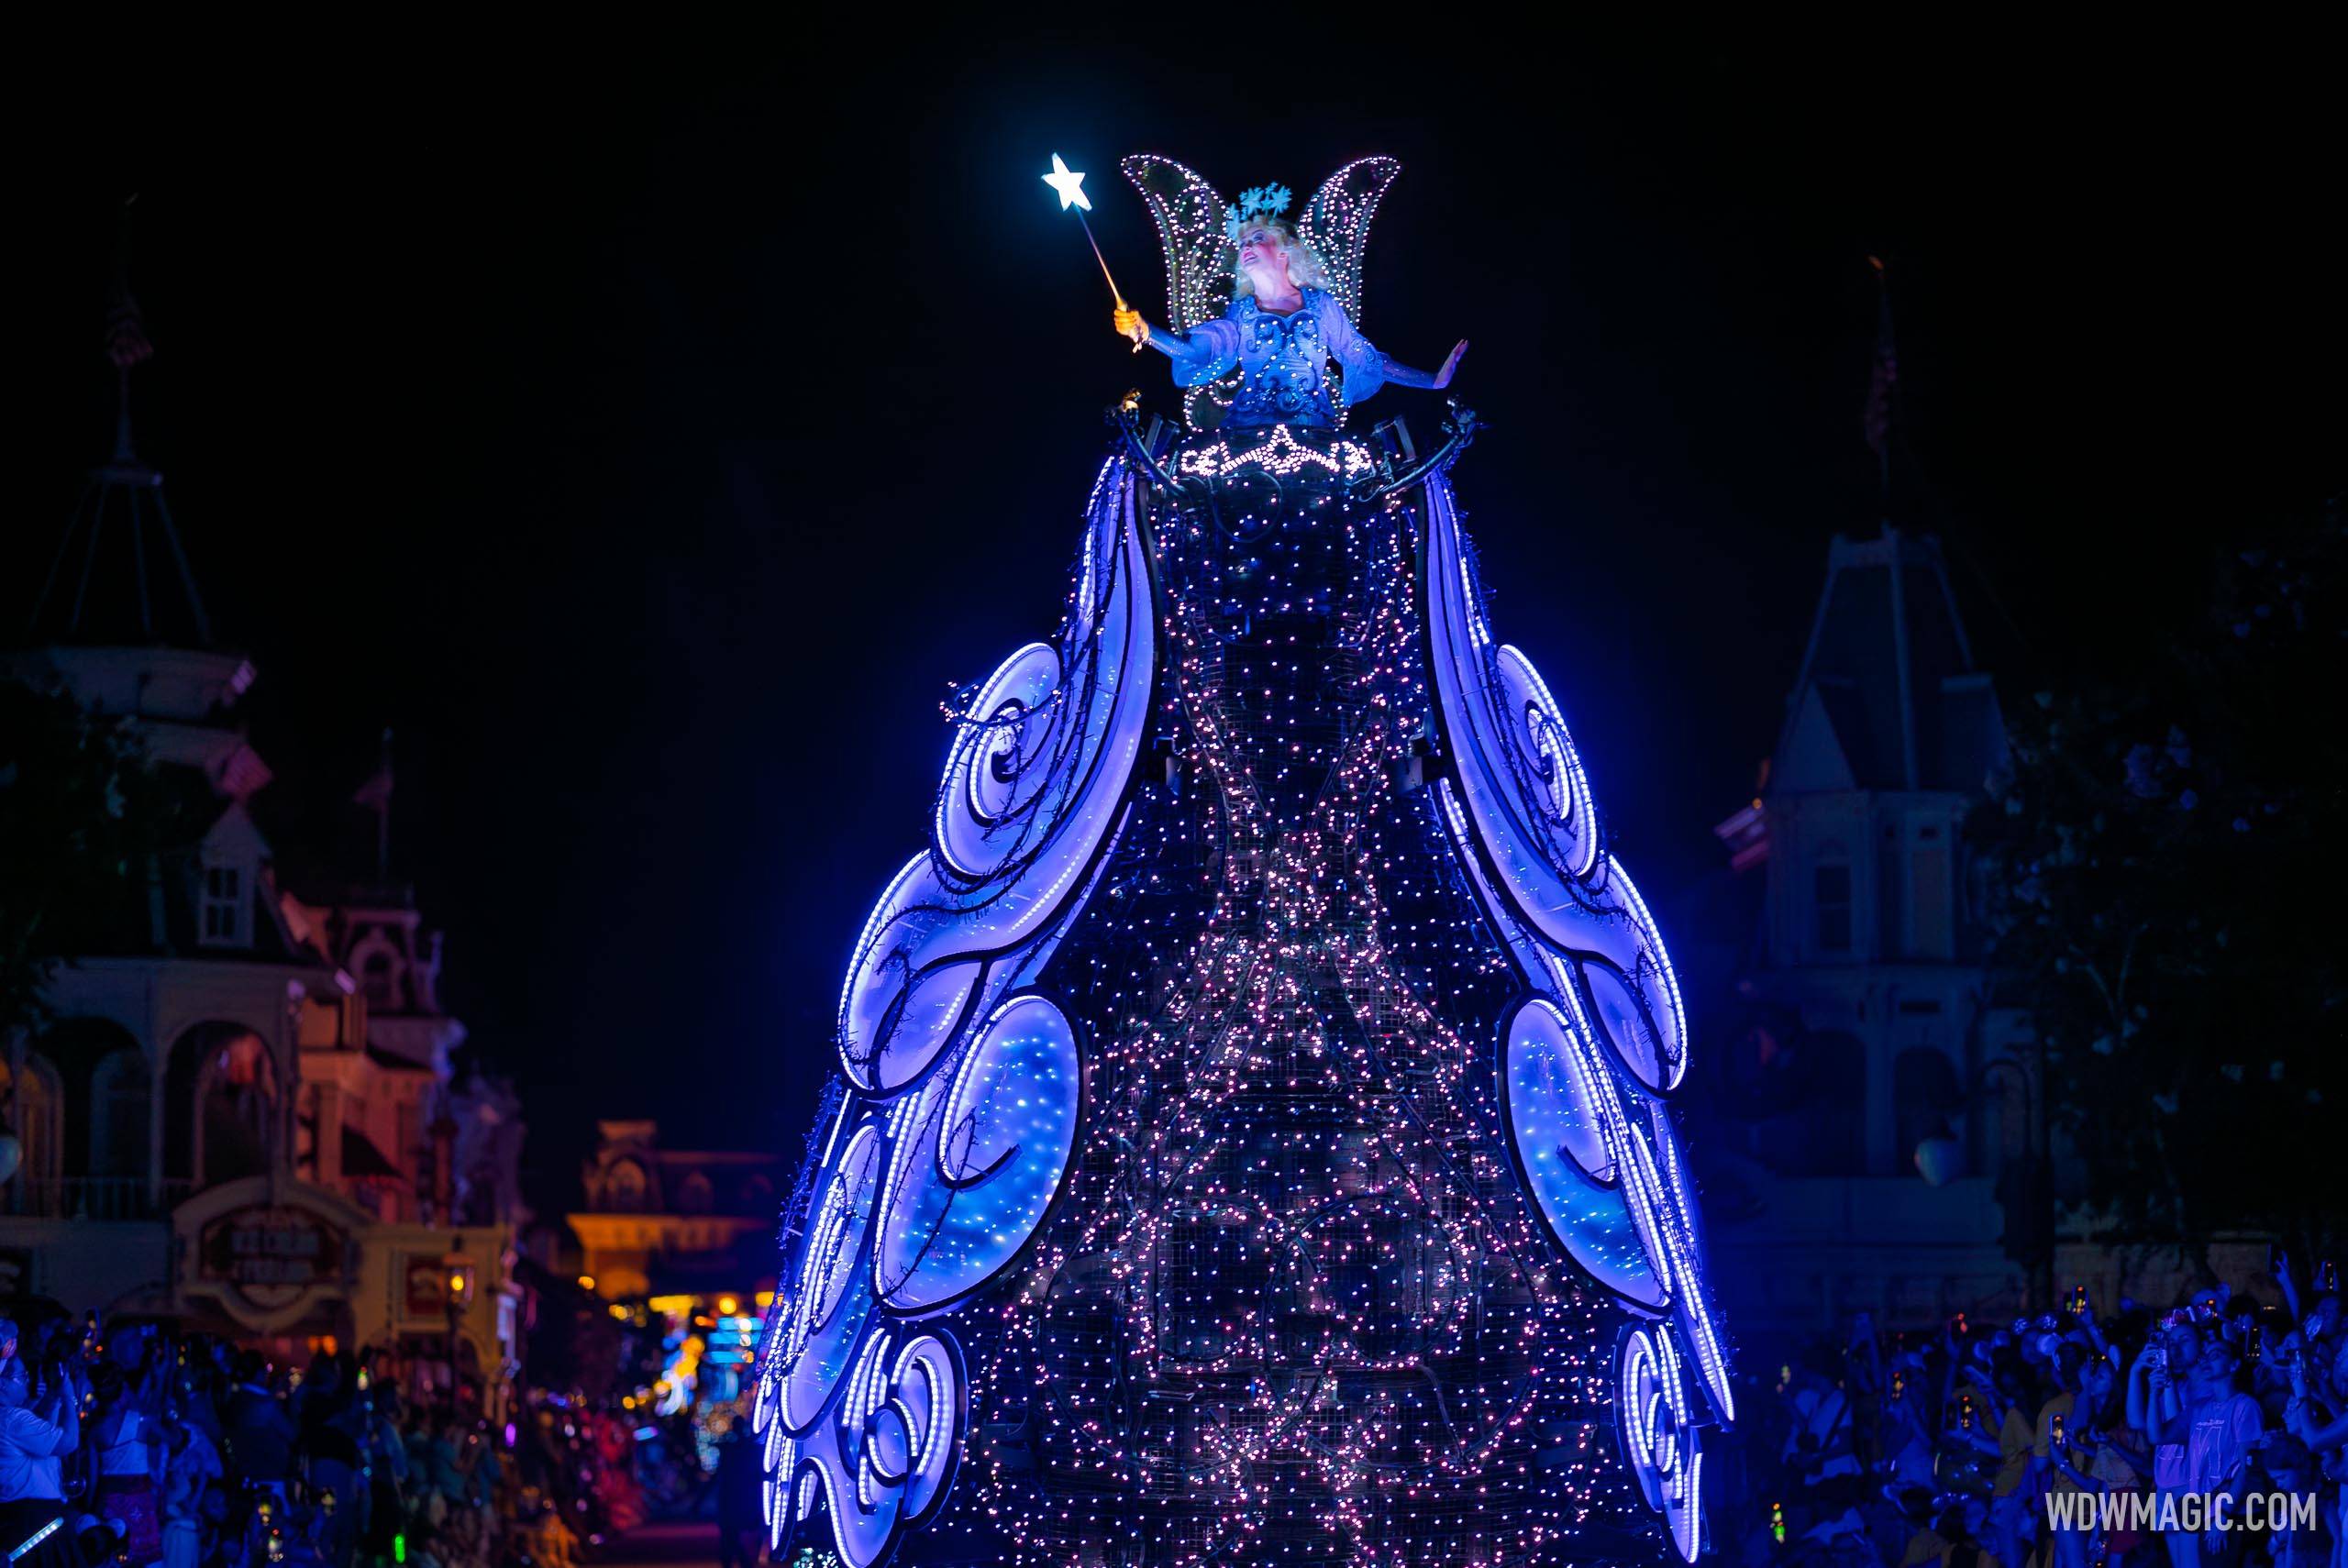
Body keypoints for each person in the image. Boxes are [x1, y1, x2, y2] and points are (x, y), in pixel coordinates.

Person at [1113, 191, 1465, 430]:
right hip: (1246, 436)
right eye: (1243, 243)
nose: (1246, 247)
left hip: (1316, 435)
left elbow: (1367, 359)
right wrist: (1146, 330)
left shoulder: (1322, 307)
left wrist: (1432, 381)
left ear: (1285, 252)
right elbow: (1191, 351)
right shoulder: (1241, 314)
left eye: (1258, 239)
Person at [0, 1326, 86, 1568]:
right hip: (37, 1525)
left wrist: (52, 1397)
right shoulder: (12, 1419)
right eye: (22, 1376)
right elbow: (69, 1442)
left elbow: (38, 1432)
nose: (27, 1381)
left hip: (18, 1522)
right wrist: (69, 1396)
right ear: (3, 1384)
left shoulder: (11, 1418)